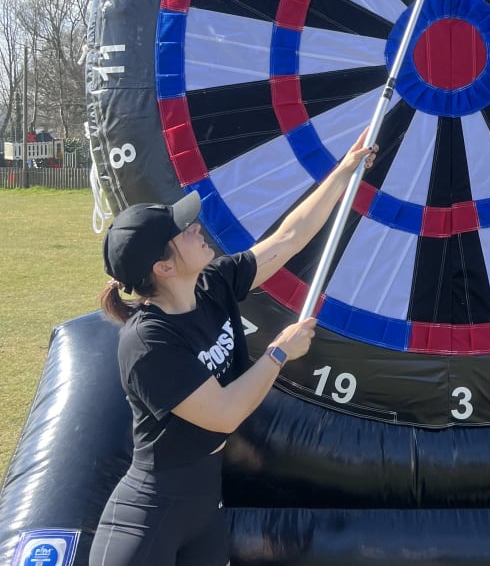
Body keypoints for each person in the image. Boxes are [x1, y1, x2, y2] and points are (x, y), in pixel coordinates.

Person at [89, 133, 377, 566]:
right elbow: (224, 412)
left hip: (204, 499)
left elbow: (289, 238)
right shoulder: (148, 343)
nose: (196, 228)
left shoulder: (211, 284)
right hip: (151, 512)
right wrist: (278, 353)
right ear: (163, 267)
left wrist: (344, 172)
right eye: (183, 231)